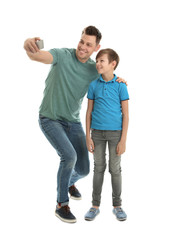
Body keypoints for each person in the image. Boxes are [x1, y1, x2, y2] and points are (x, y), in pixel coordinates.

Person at [23, 26, 127, 223]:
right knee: (69, 156)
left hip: (73, 122)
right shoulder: (62, 56)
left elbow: (108, 77)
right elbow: (37, 57)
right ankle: (61, 205)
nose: (83, 47)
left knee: (85, 169)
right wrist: (28, 45)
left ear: (96, 48)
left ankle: (68, 183)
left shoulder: (93, 69)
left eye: (89, 44)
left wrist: (120, 80)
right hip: (50, 118)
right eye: (82, 42)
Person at [85, 48, 129, 221]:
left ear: (113, 64)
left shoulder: (121, 85)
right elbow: (88, 112)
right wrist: (88, 136)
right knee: (98, 168)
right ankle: (95, 205)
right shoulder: (93, 85)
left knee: (115, 169)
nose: (97, 64)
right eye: (97, 60)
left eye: (101, 60)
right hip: (96, 133)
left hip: (115, 134)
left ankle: (117, 205)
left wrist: (123, 139)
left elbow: (126, 115)